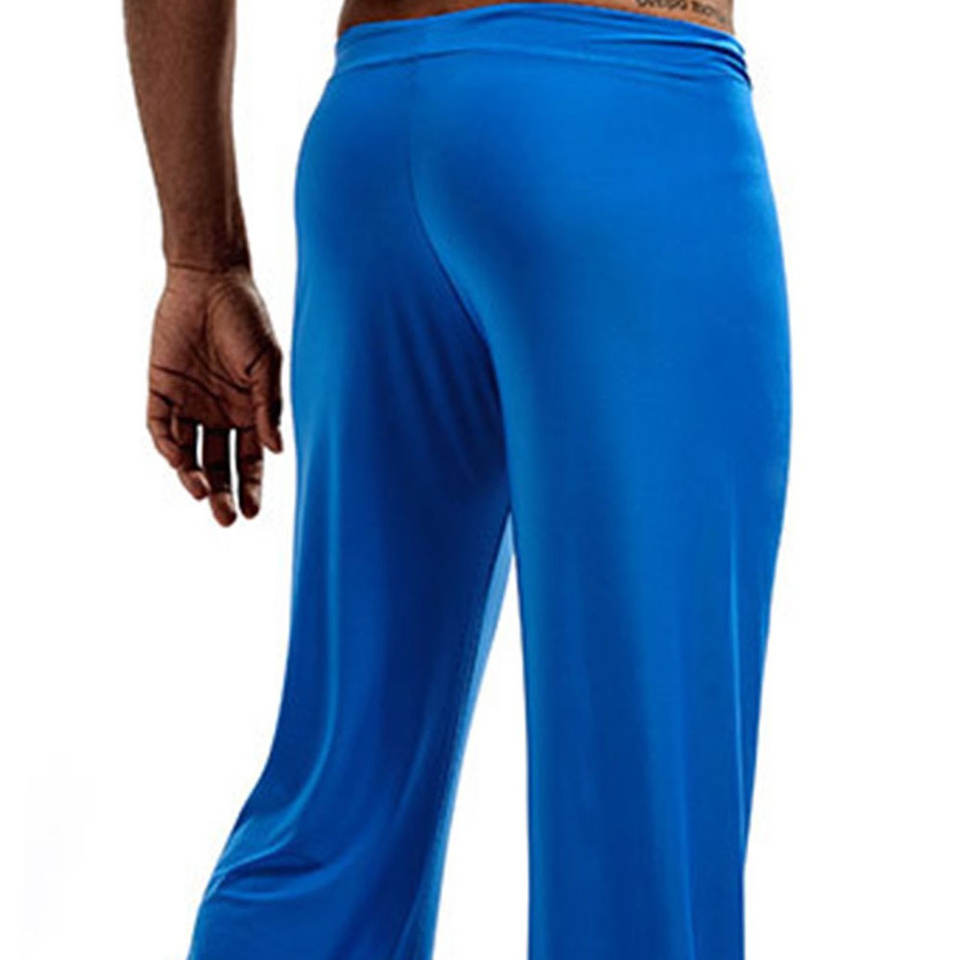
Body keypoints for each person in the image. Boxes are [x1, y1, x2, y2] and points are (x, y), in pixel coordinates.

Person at [125, 0, 790, 957]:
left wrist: (202, 259)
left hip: (373, 138)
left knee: (338, 813)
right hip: (622, 107)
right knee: (644, 815)